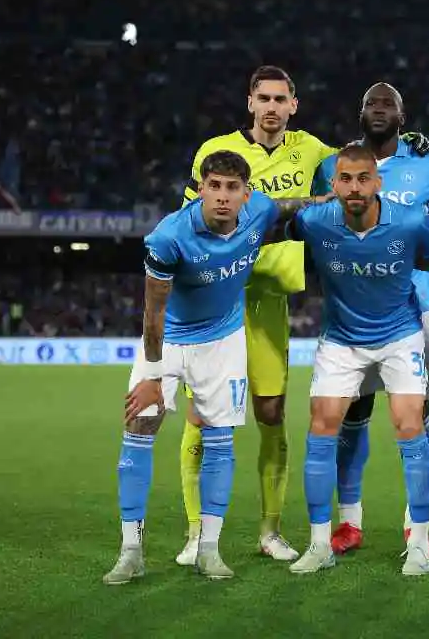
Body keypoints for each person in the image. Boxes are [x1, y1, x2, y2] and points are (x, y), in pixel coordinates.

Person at [176, 66, 429, 565]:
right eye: (264, 98)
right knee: (202, 415)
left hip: (269, 301)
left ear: (293, 105)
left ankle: (271, 531)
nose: (272, 107)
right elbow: (193, 218)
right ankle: (196, 533)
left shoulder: (313, 151)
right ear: (250, 102)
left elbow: (364, 159)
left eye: (281, 99)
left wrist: (408, 144)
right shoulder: (216, 150)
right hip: (216, 297)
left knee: (272, 413)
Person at [103, 150, 320, 584]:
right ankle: (130, 551)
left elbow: (293, 205)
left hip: (222, 342)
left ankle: (209, 550)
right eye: (214, 186)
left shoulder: (258, 211)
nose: (222, 196)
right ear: (200, 188)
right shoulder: (169, 236)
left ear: (246, 193)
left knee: (220, 440)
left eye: (232, 188)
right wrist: (151, 376)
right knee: (139, 428)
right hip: (168, 341)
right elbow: (153, 313)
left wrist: (340, 200)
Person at [285, 146, 429, 577]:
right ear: (333, 184)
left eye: (364, 178)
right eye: (345, 179)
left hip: (400, 334)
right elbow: (266, 221)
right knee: (322, 426)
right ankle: (319, 544)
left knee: (410, 424)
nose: (355, 188)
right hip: (341, 339)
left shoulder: (411, 220)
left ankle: (418, 543)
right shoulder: (315, 220)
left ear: (378, 182)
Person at [313, 82, 429, 557]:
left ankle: (415, 527)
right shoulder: (333, 166)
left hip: (412, 313)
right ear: (359, 113)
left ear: (403, 116)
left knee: (417, 418)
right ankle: (349, 522)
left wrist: (418, 264)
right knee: (351, 416)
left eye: (388, 104)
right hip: (350, 314)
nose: (378, 110)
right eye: (370, 103)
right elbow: (318, 227)